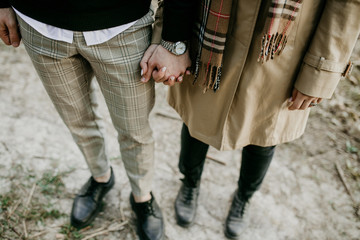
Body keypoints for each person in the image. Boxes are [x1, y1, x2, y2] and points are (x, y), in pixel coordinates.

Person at [140, 0, 360, 239]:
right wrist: (173, 38)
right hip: (214, 30)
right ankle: (190, 183)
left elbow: (347, 3)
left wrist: (320, 72)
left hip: (283, 45)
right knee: (199, 119)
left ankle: (244, 197)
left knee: (263, 133)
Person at [0, 1, 165, 239]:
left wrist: (173, 39)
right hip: (39, 25)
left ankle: (142, 196)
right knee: (77, 120)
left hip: (123, 27)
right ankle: (101, 177)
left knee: (134, 129)